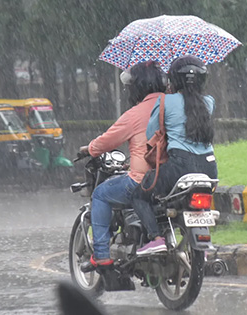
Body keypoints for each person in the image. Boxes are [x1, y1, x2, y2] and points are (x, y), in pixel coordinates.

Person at [79, 61, 167, 270]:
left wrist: (88, 149)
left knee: (101, 193)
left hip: (142, 179)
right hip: (170, 178)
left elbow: (107, 141)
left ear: (137, 87)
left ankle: (101, 254)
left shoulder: (135, 113)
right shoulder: (173, 105)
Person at [131, 55, 217, 256]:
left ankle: (155, 238)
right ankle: (199, 244)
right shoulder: (209, 102)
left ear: (173, 80)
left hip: (179, 168)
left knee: (140, 195)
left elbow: (151, 133)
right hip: (209, 169)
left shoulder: (165, 101)